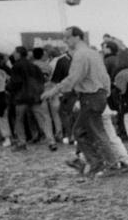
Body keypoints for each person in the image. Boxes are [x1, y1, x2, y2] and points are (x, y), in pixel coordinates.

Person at [42, 27, 117, 176]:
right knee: (87, 130)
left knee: (90, 131)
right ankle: (100, 163)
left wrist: (53, 91)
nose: (65, 40)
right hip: (97, 95)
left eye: (67, 37)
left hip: (90, 96)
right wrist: (105, 93)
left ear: (77, 37)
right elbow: (105, 77)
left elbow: (73, 78)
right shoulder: (93, 53)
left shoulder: (80, 55)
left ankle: (107, 164)